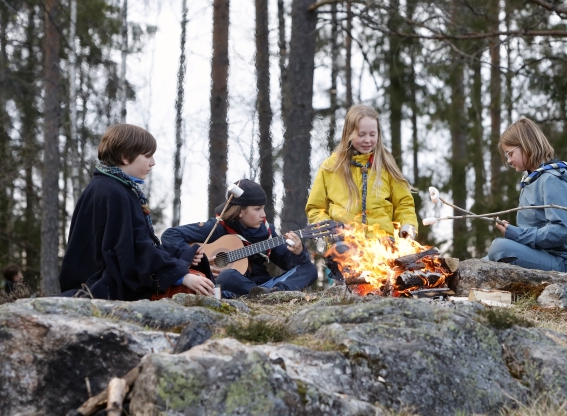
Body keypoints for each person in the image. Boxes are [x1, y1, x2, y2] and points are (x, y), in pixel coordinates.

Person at [59, 124, 214, 301]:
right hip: (109, 285)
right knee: (199, 285)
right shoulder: (114, 192)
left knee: (195, 275)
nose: (153, 162)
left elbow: (136, 246)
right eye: (148, 155)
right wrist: (181, 276)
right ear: (125, 157)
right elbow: (131, 251)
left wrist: (182, 256)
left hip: (105, 278)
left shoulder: (107, 186)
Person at [306, 104, 418, 281]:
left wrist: (408, 226)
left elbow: (404, 204)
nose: (368, 140)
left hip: (383, 246)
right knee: (352, 275)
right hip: (344, 248)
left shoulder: (386, 165)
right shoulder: (330, 167)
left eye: (372, 134)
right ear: (348, 134)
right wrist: (330, 228)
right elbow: (314, 208)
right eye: (361, 134)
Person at [162, 180, 317, 297]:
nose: (263, 215)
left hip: (264, 286)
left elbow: (289, 264)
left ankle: (273, 295)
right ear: (240, 212)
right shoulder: (216, 227)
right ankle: (262, 295)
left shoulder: (267, 232)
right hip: (229, 287)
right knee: (227, 275)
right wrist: (196, 258)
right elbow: (170, 235)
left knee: (309, 268)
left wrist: (299, 252)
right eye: (257, 209)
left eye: (263, 208)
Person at [486, 117, 567, 273]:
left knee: (499, 247)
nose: (509, 160)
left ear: (526, 146)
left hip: (566, 262)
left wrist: (517, 234)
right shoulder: (531, 181)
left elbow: (561, 231)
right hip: (544, 255)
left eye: (510, 153)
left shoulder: (552, 180)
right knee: (482, 260)